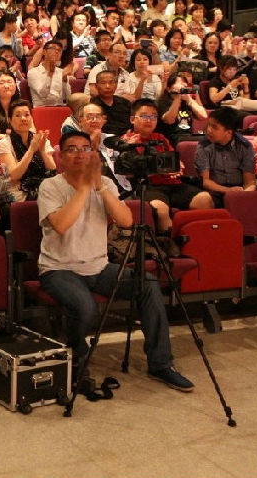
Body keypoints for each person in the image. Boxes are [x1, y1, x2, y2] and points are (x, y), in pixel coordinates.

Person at [37, 130, 195, 390]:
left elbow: (126, 221)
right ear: (61, 157)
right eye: (72, 149)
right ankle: (77, 362)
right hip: (59, 269)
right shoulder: (50, 186)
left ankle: (161, 363)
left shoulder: (105, 184)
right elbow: (62, 225)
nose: (80, 154)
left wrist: (99, 186)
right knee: (85, 307)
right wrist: (85, 187)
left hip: (99, 267)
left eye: (85, 149)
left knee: (148, 284)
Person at [122, 99, 213, 230]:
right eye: (144, 116)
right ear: (132, 119)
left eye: (153, 116)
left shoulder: (161, 138)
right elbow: (128, 173)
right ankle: (170, 241)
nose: (149, 120)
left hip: (172, 184)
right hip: (148, 186)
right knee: (160, 209)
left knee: (204, 199)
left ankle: (198, 236)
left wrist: (177, 166)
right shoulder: (126, 141)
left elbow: (173, 160)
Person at [195, 106, 257, 207]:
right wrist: (228, 191)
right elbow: (206, 182)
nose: (209, 130)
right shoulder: (204, 146)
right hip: (215, 192)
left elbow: (250, 182)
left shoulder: (245, 146)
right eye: (209, 125)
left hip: (239, 191)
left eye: (214, 127)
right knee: (203, 200)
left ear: (228, 132)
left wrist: (244, 195)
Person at [0, 100, 55, 201]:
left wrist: (42, 151)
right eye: (18, 115)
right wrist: (31, 150)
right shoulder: (5, 143)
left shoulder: (40, 139)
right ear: (10, 120)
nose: (23, 119)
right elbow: (14, 175)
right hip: (18, 192)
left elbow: (53, 170)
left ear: (31, 118)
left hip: (44, 186)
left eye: (27, 115)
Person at [27, 40, 69, 107]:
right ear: (44, 52)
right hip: (42, 109)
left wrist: (64, 81)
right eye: (53, 48)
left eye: (59, 50)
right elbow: (43, 95)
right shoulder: (33, 72)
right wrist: (50, 74)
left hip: (60, 109)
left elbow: (67, 98)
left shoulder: (62, 72)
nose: (56, 51)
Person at [90, 70, 132, 136]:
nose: (108, 86)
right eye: (103, 83)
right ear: (96, 86)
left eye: (111, 82)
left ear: (116, 85)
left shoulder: (125, 103)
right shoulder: (92, 106)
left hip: (127, 138)